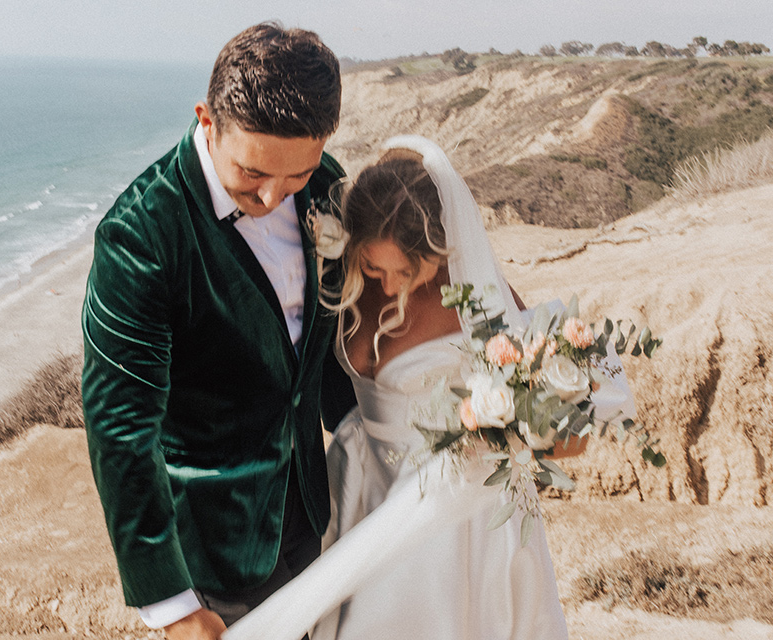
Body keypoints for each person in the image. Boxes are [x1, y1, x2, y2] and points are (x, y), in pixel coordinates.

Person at [222, 136, 575, 640]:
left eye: (406, 271)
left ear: (439, 248)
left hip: (452, 503)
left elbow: (530, 387)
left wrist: (511, 422)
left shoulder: (477, 295)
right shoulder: (334, 270)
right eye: (372, 267)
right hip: (361, 485)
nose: (386, 286)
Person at [81, 23, 354, 640]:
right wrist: (171, 604)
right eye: (253, 171)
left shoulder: (325, 183)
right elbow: (120, 430)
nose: (272, 194)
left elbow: (326, 339)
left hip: (312, 507)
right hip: (211, 548)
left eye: (294, 175)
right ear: (207, 119)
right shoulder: (140, 236)